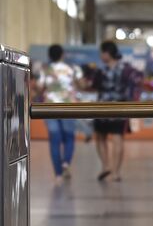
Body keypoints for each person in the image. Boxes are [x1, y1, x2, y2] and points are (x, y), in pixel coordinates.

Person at [88, 41, 141, 182]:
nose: (100, 55)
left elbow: (93, 86)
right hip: (119, 107)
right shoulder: (127, 69)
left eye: (101, 52)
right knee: (117, 138)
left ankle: (107, 167)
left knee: (101, 137)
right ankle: (114, 171)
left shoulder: (102, 70)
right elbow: (137, 83)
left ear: (107, 53)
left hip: (104, 107)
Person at [36, 44, 82, 185]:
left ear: (49, 56)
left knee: (54, 140)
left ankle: (58, 175)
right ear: (62, 54)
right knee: (69, 137)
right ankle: (66, 163)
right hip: (68, 106)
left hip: (50, 107)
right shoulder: (72, 69)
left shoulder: (45, 70)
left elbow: (39, 87)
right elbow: (79, 84)